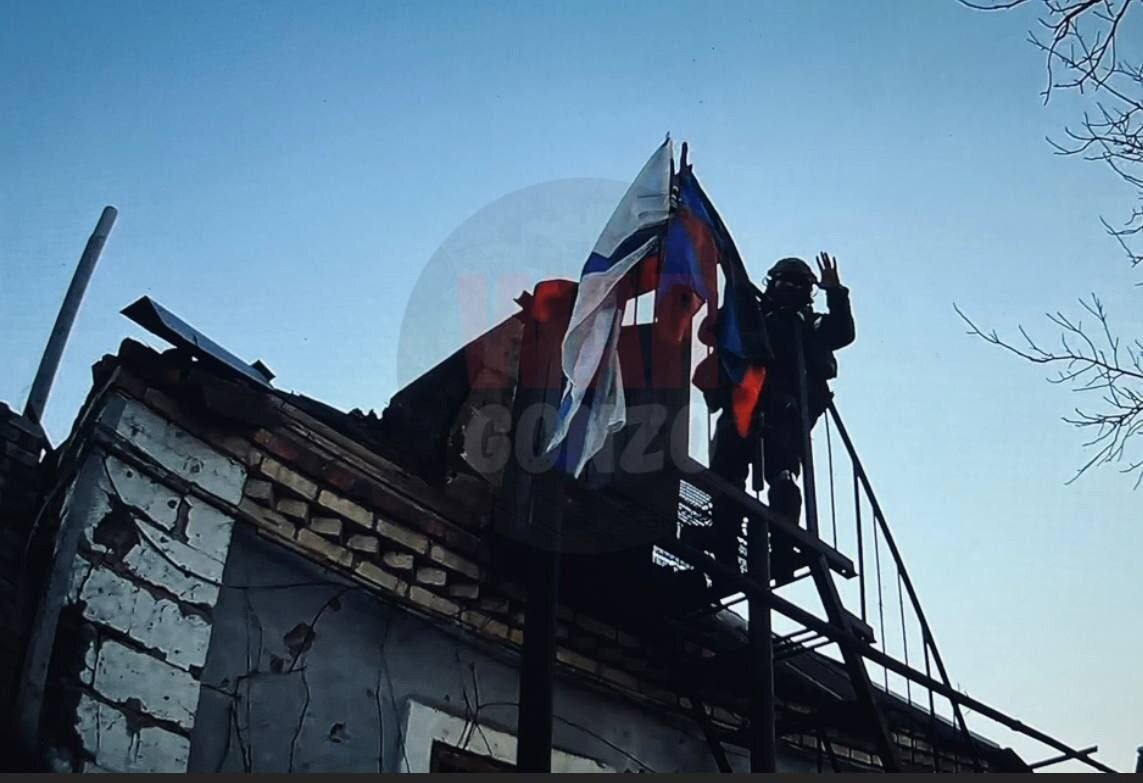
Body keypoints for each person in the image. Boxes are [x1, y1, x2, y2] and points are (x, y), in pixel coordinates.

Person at [694, 252, 855, 572]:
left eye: (799, 285)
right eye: (785, 282)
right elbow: (713, 330)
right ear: (772, 283)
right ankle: (724, 540)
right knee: (728, 471)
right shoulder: (750, 313)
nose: (790, 289)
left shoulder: (808, 324)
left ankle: (782, 544)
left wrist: (835, 292)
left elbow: (841, 332)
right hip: (743, 402)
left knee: (782, 474)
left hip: (786, 410)